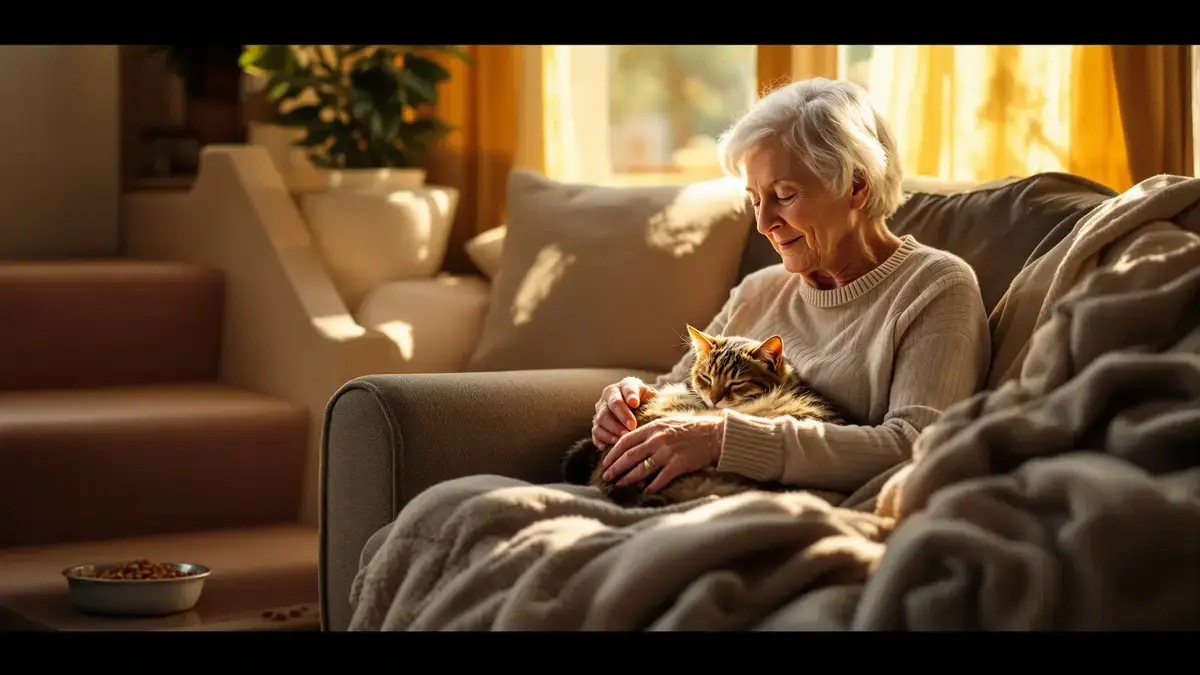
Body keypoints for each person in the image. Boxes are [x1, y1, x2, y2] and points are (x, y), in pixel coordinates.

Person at [593, 78, 993, 499]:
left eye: (784, 195)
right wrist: (630, 401)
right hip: (693, 501)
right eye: (755, 199)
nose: (764, 224)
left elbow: (915, 445)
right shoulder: (757, 291)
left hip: (812, 515)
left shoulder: (935, 286)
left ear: (856, 186)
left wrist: (724, 440)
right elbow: (681, 392)